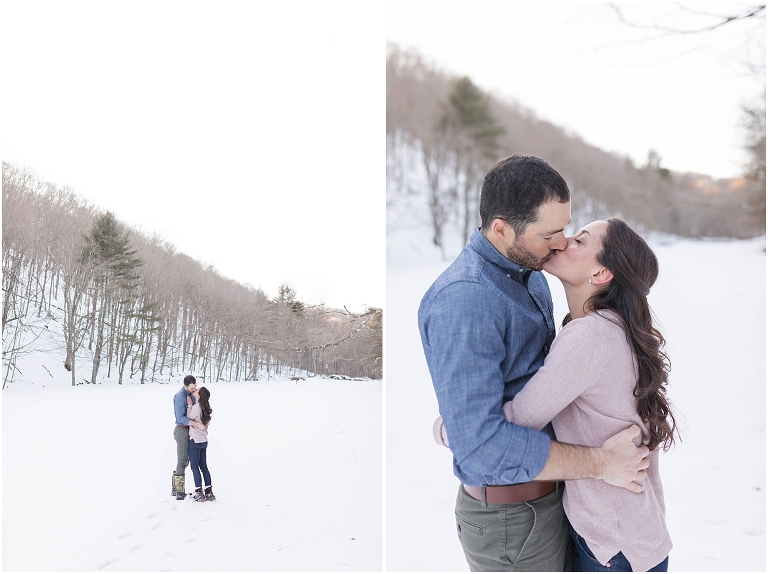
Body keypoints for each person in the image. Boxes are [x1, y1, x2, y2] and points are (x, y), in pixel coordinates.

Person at [418, 154, 649, 572]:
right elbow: (480, 448)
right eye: (552, 233)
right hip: (512, 518)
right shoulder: (465, 300)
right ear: (502, 229)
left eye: (567, 230)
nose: (561, 242)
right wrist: (600, 462)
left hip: (559, 500)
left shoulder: (532, 275)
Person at [172, 374, 204, 500]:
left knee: (185, 460)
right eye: (192, 388)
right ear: (185, 386)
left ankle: (176, 489)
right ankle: (179, 492)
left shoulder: (191, 394)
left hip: (189, 431)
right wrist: (197, 424)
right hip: (181, 431)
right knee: (182, 460)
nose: (194, 390)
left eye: (195, 388)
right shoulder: (180, 397)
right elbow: (180, 418)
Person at [186, 386, 216, 502]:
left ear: (199, 395)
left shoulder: (197, 407)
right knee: (203, 466)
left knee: (194, 467)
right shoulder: (207, 408)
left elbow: (188, 418)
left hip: (195, 441)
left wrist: (189, 405)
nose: (195, 390)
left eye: (197, 390)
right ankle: (209, 492)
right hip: (204, 441)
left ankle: (199, 492)